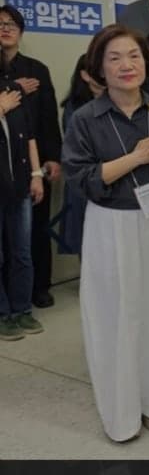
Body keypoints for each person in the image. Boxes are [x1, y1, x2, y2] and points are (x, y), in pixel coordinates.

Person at [61, 24, 149, 442]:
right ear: (99, 66)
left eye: (134, 56)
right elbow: (79, 177)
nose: (127, 65)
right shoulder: (86, 118)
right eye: (115, 58)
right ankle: (121, 414)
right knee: (115, 317)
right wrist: (135, 158)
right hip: (110, 224)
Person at [0, 4, 62, 309]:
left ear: (21, 31)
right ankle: (10, 296)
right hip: (3, 162)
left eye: (11, 23)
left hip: (34, 161)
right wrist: (14, 89)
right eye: (0, 24)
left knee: (38, 227)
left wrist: (53, 158)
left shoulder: (37, 69)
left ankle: (40, 287)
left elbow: (48, 119)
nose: (5, 28)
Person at [0, 60, 45, 340]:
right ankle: (3, 315)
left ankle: (22, 310)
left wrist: (37, 174)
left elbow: (29, 137)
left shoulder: (12, 89)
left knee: (22, 253)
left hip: (19, 184)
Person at [58, 54, 105, 256]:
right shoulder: (75, 107)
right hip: (85, 180)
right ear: (85, 75)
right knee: (87, 240)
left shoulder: (119, 99)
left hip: (115, 179)